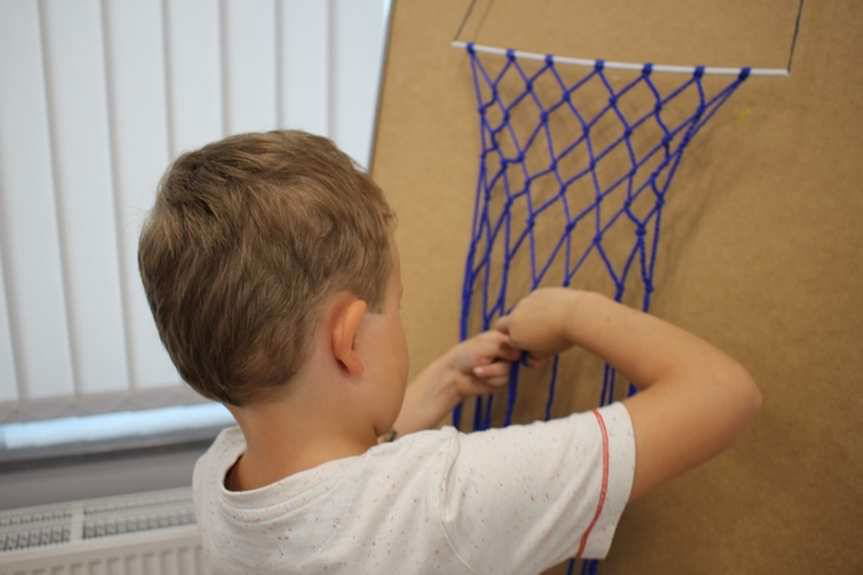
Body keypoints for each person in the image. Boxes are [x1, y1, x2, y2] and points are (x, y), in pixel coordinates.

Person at [138, 130, 762, 574]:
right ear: (349, 340)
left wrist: (444, 382)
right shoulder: (451, 500)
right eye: (397, 306)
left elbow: (342, 479)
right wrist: (572, 311)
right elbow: (724, 394)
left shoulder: (220, 483)